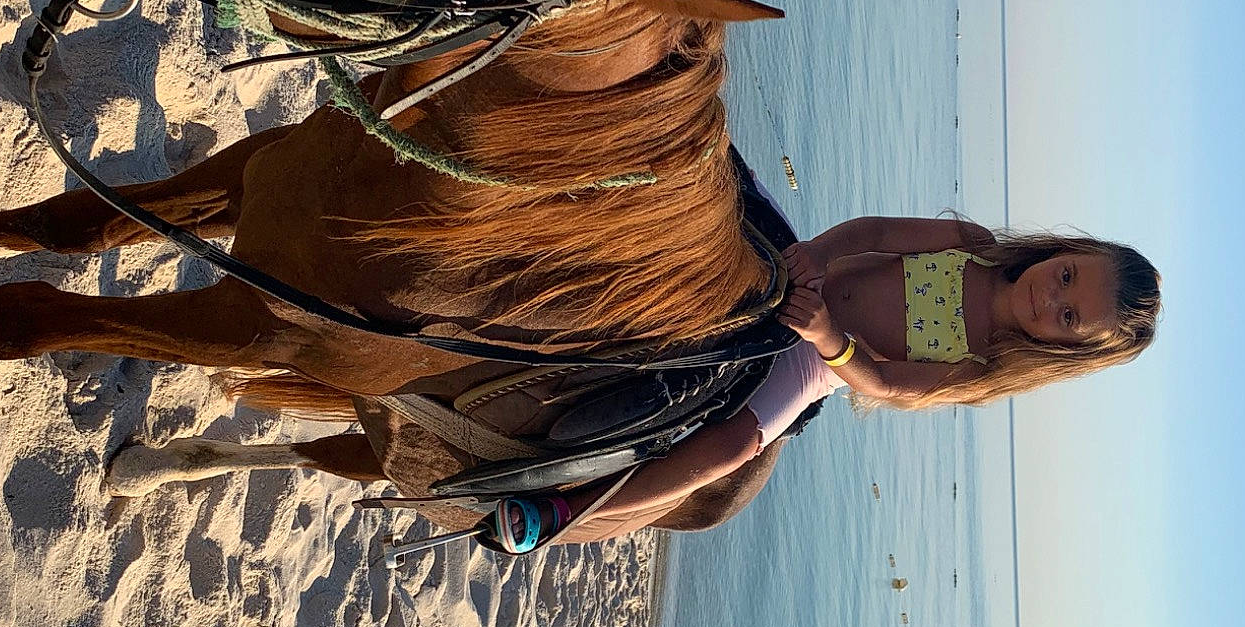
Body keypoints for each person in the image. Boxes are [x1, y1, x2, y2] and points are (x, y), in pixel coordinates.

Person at [490, 210, 1162, 549]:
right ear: (1066, 250)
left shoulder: (982, 362)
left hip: (816, 358)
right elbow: (874, 230)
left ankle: (570, 511)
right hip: (808, 275)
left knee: (734, 448)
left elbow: (890, 384)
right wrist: (815, 254)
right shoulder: (973, 243)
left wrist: (826, 339)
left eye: (1069, 317)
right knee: (716, 182)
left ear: (1062, 348)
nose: (1051, 296)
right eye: (1068, 275)